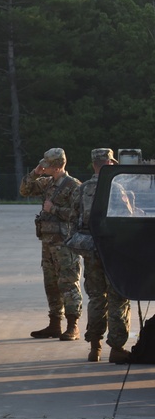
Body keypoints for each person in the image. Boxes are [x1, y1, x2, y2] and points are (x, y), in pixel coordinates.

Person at [69, 148, 132, 362]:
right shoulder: (116, 187)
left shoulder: (82, 188)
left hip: (90, 247)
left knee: (96, 298)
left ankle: (94, 347)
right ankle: (116, 347)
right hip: (112, 249)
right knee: (118, 298)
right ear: (107, 163)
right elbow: (127, 218)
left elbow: (73, 217)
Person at [19, 148, 83, 340]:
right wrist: (35, 173)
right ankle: (55, 324)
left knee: (69, 284)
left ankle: (73, 326)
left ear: (56, 167)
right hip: (48, 243)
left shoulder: (74, 186)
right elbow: (25, 190)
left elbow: (77, 215)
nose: (44, 168)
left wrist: (53, 209)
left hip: (65, 244)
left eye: (47, 166)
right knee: (51, 285)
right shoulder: (48, 183)